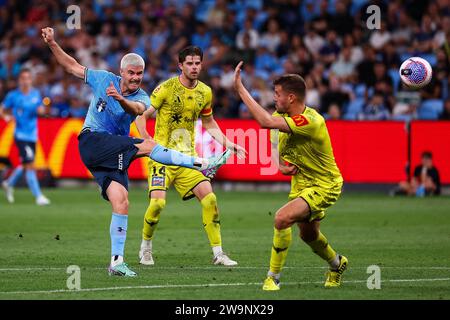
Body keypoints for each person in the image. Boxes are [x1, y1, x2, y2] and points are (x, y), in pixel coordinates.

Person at [41, 27, 229, 277]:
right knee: (148, 145)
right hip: (92, 141)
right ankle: (201, 164)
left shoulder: (143, 96)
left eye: (139, 74)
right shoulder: (102, 78)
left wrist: (120, 99)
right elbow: (72, 66)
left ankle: (116, 262)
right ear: (121, 72)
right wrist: (53, 43)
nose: (136, 78)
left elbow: (137, 109)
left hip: (111, 153)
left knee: (122, 202)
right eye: (131, 73)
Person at [233, 61, 348, 290]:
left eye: (277, 94)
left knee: (281, 218)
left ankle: (273, 277)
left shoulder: (311, 121)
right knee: (308, 235)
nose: (274, 99)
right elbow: (274, 142)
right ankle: (337, 264)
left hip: (325, 184)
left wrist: (240, 89)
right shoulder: (280, 115)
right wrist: (279, 165)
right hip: (301, 183)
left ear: (292, 98)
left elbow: (265, 123)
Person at [135, 46, 246, 267]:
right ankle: (145, 248)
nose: (194, 67)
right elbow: (141, 115)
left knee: (210, 199)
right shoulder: (165, 89)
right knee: (157, 204)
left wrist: (228, 143)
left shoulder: (205, 92)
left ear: (201, 65)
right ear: (180, 65)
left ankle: (218, 253)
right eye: (189, 63)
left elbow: (209, 122)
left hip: (187, 159)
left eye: (197, 63)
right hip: (162, 158)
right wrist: (148, 139)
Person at [1, 68, 51, 206]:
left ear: (31, 80)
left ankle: (8, 183)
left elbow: (40, 109)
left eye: (28, 78)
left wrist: (42, 110)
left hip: (32, 135)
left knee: (25, 163)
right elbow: (3, 108)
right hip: (20, 135)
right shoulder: (13, 95)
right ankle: (39, 196)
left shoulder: (35, 94)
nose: (25, 81)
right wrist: (6, 116)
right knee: (30, 165)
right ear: (19, 80)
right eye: (23, 78)